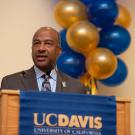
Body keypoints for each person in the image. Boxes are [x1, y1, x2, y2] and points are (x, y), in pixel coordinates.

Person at [1, 27, 86, 94]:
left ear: (59, 51)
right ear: (32, 48)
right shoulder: (10, 83)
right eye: (37, 43)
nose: (41, 48)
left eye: (48, 43)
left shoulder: (76, 87)